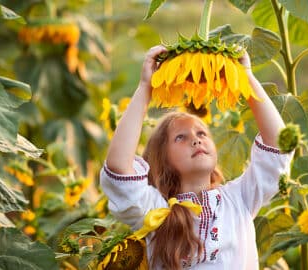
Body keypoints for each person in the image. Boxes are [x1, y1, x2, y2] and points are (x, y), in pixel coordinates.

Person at [100, 45, 293, 269]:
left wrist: (246, 78)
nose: (196, 139)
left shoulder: (239, 198)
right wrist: (145, 88)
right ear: (161, 159)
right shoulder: (156, 211)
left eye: (201, 133)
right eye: (180, 137)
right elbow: (118, 168)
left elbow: (279, 145)